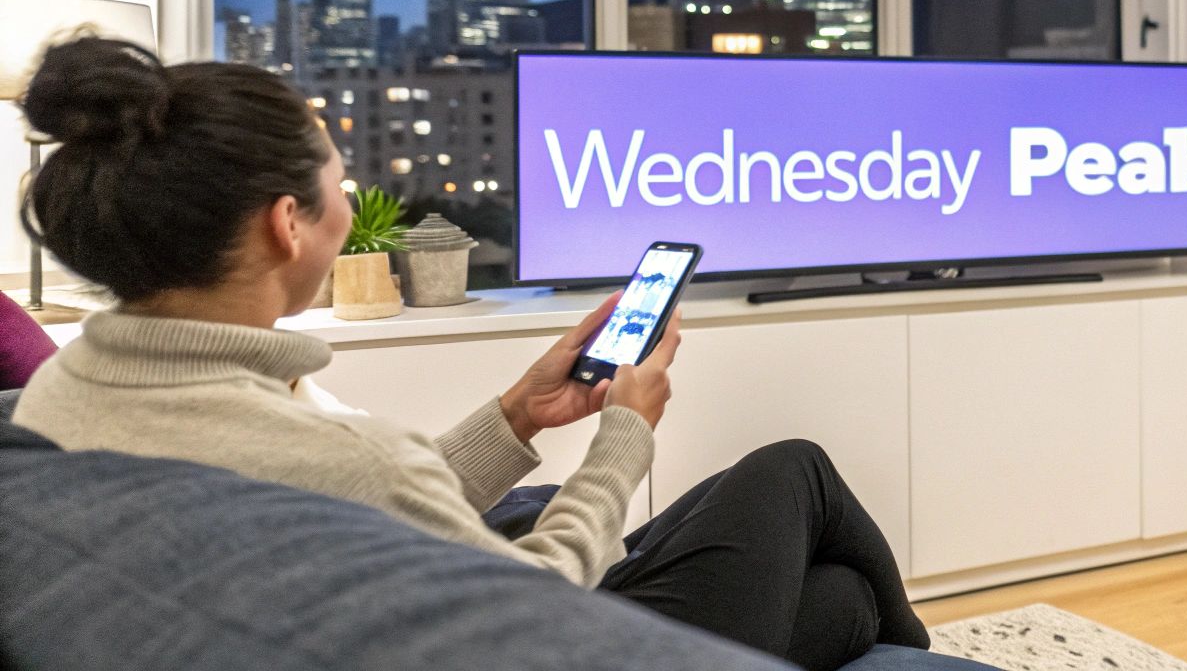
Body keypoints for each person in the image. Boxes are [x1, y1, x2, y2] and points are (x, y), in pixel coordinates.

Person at [12, 36, 929, 671]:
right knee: (795, 475)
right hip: (551, 642)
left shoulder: (58, 394)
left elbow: (366, 512)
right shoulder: (328, 450)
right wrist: (624, 437)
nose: (350, 204)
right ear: (286, 224)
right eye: (340, 183)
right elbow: (530, 606)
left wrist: (519, 415)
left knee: (837, 600)